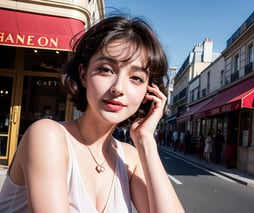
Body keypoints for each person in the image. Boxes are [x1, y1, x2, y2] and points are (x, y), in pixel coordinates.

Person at [0, 15, 184, 213]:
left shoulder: (130, 158)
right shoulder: (48, 136)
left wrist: (145, 140)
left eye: (136, 78)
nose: (118, 88)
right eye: (106, 69)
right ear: (83, 74)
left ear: (148, 91)